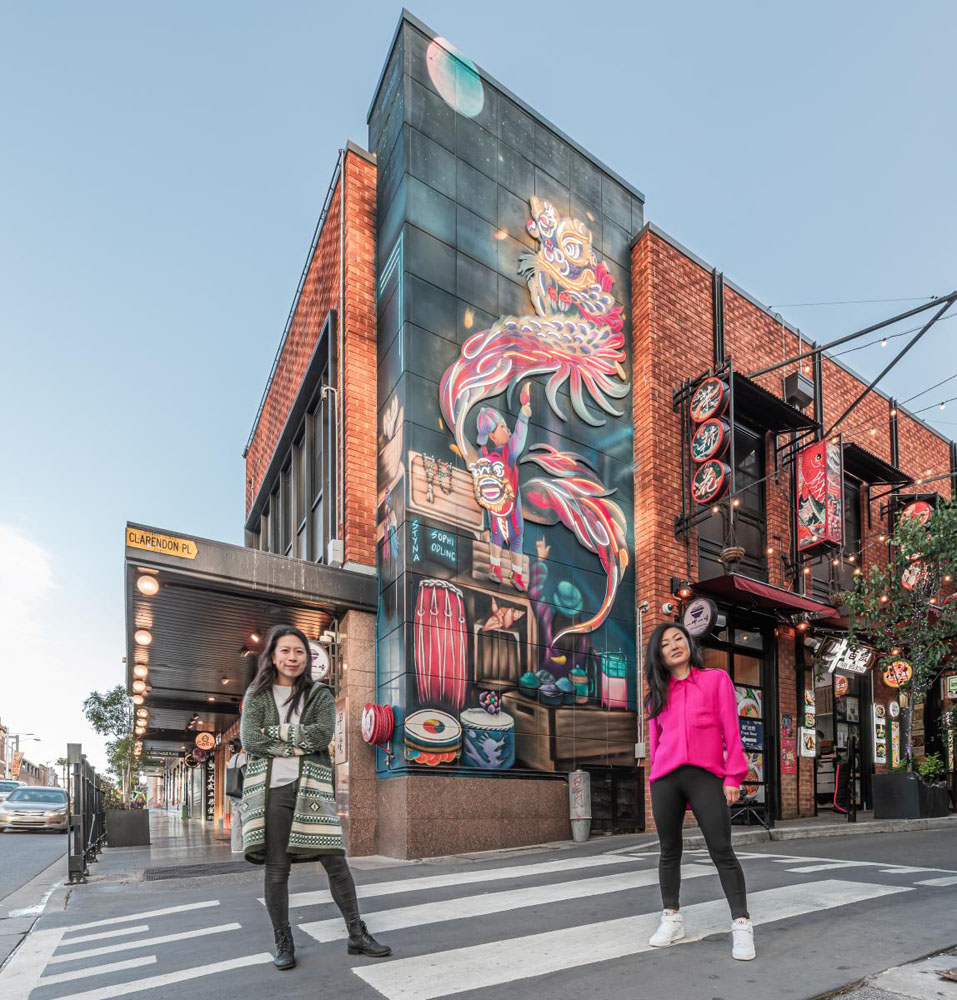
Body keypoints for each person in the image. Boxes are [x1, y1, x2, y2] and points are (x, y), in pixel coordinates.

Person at [240, 624, 391, 971]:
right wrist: (297, 741)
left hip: (314, 788)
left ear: (307, 658)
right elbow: (250, 740)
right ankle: (283, 941)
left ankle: (357, 934)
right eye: (285, 651)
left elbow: (322, 736)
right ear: (273, 656)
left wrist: (273, 732)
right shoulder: (257, 694)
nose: (292, 657)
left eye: (299, 652)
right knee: (277, 869)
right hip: (273, 791)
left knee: (335, 862)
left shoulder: (320, 694)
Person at [644, 622, 755, 961]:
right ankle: (671, 918)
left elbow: (731, 730)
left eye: (679, 638)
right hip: (666, 779)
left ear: (689, 644)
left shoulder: (715, 680)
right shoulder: (657, 694)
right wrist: (654, 778)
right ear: (659, 655)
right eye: (665, 644)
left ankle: (742, 925)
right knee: (669, 851)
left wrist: (734, 776)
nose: (674, 646)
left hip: (706, 776)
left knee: (721, 849)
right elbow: (655, 742)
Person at [470, 387, 531, 590]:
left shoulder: (482, 453)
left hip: (494, 505)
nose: (508, 430)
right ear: (492, 436)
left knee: (496, 533)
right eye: (503, 427)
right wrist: (523, 415)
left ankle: (495, 568)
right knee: (517, 536)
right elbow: (519, 438)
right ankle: (517, 575)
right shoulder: (508, 451)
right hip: (511, 504)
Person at [226, 738, 246, 853]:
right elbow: (246, 775)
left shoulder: (232, 759)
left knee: (236, 819)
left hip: (233, 792)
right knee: (246, 818)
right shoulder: (242, 757)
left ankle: (236, 847)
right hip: (242, 792)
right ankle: (248, 845)